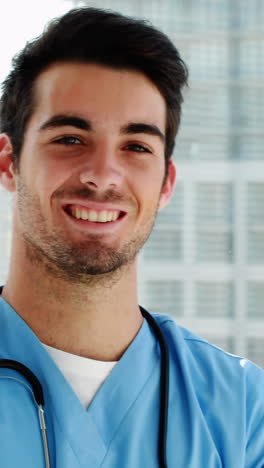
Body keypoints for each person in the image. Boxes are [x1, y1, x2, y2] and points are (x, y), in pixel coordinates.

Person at [0, 7, 263, 468]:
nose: (103, 176)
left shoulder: (242, 412)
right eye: (69, 139)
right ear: (8, 163)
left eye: (137, 147)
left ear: (165, 184)